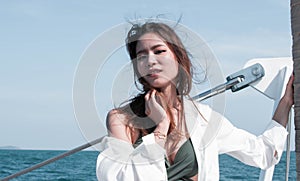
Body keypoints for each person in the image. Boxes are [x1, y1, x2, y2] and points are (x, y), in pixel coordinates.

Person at [96, 21, 294, 181]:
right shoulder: (122, 120)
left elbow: (262, 153)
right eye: (141, 55)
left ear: (177, 57)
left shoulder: (203, 118)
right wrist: (160, 129)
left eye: (158, 51)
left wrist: (285, 102)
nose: (150, 60)